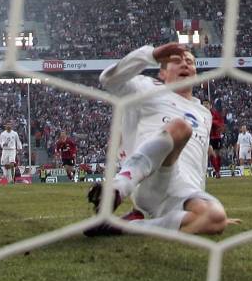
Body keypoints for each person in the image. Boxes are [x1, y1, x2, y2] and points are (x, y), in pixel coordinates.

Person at [84, 42, 238, 236]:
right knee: (180, 127)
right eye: (177, 60)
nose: (185, 64)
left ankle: (119, 226)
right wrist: (152, 54)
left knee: (214, 219)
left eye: (190, 62)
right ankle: (116, 190)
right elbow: (108, 79)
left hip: (181, 191)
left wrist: (205, 204)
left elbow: (198, 163)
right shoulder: (147, 88)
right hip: (149, 178)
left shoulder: (204, 114)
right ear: (162, 74)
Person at [203, 100, 224, 178]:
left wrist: (212, 121)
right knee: (211, 153)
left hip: (217, 136)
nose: (205, 105)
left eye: (207, 104)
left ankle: (218, 170)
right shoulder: (200, 113)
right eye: (204, 104)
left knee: (218, 154)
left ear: (210, 105)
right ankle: (217, 172)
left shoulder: (215, 113)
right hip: (207, 137)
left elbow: (220, 123)